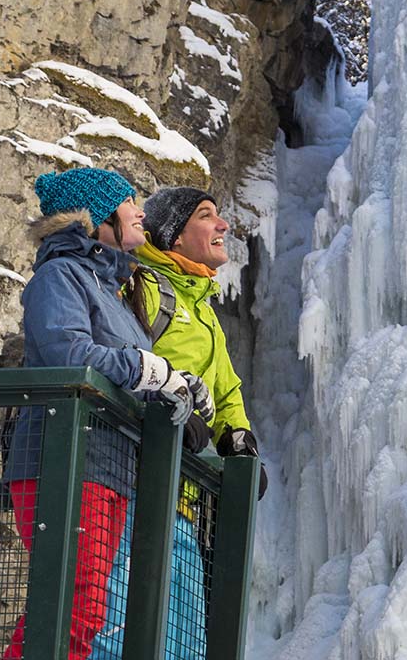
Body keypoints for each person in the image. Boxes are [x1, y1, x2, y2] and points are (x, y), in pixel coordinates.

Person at [1, 167, 210, 660]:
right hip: (63, 460)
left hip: (109, 467)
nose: (141, 211)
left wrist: (176, 389)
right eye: (128, 201)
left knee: (84, 611)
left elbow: (129, 375)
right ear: (96, 219)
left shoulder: (113, 292)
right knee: (72, 607)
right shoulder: (60, 275)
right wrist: (145, 368)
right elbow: (66, 352)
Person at [92, 187, 266, 659]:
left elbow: (227, 389)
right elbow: (119, 357)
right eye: (207, 216)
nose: (223, 226)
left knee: (182, 647)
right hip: (132, 490)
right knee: (118, 636)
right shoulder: (143, 286)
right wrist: (171, 404)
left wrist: (237, 437)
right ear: (174, 233)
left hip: (181, 506)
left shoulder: (204, 312)